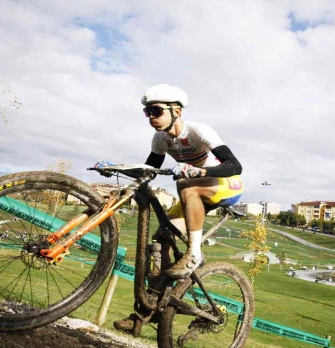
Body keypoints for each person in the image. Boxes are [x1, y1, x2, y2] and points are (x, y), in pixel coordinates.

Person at [100, 84, 244, 333]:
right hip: (194, 194)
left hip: (226, 186)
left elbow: (235, 165)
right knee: (161, 239)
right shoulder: (160, 139)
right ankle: (148, 311)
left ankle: (194, 253)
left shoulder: (199, 131)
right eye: (147, 112)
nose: (151, 117)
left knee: (187, 185)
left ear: (176, 111)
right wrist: (118, 167)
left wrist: (201, 171)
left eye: (156, 110)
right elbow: (149, 170)